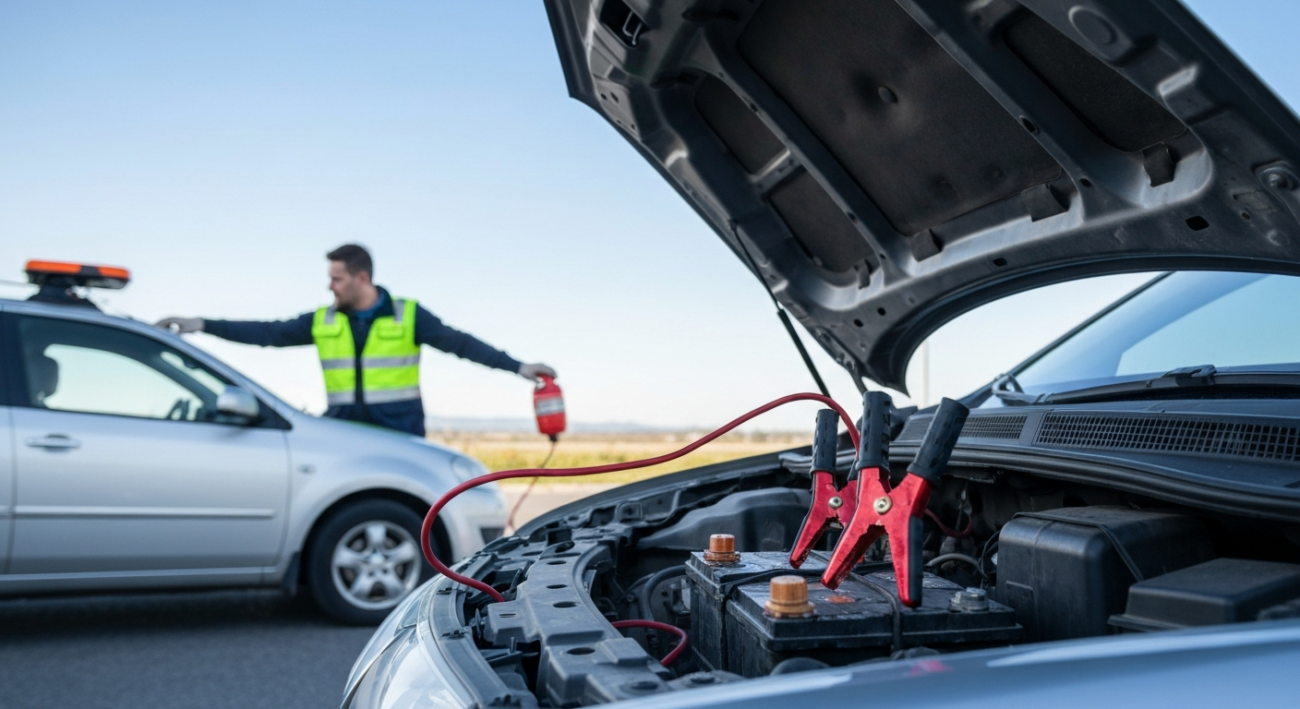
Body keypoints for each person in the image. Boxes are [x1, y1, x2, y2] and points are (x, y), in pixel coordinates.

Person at [156, 244, 556, 437]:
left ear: (361, 278)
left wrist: (519, 367)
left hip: (401, 431)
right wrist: (201, 324)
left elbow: (463, 344)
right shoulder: (323, 321)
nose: (329, 285)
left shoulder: (408, 315)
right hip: (345, 431)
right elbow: (267, 333)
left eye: (337, 278)